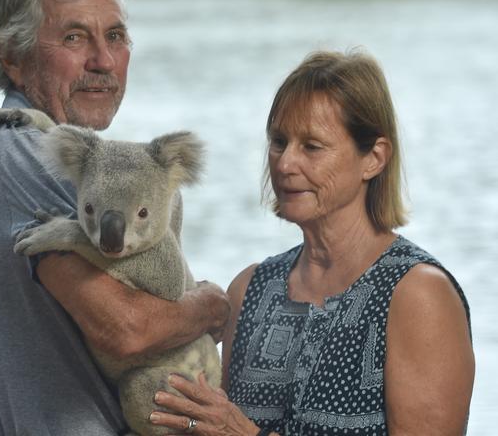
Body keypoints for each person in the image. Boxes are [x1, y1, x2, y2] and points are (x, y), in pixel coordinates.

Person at [0, 0, 229, 435]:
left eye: (115, 37)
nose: (103, 61)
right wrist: (208, 308)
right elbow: (128, 330)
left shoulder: (10, 164)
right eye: (74, 37)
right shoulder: (20, 158)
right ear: (12, 58)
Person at [149, 50, 475, 435]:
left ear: (374, 157)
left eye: (312, 147)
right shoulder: (249, 289)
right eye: (278, 142)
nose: (285, 164)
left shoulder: (418, 295)